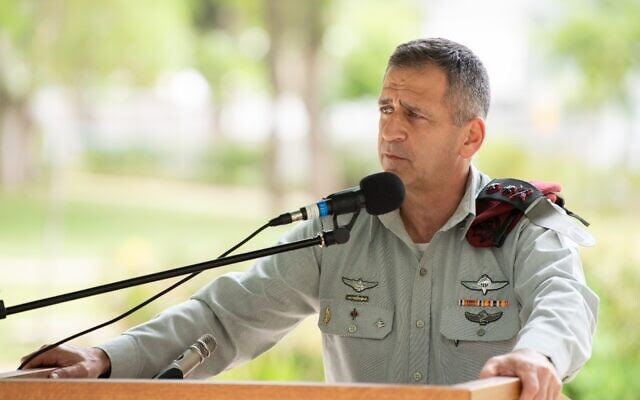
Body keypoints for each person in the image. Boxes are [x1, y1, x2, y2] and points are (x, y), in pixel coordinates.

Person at [21, 38, 598, 400]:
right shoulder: (341, 230)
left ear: (470, 136)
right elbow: (223, 319)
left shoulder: (519, 223)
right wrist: (106, 359)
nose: (391, 129)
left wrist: (537, 355)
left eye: (415, 115)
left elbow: (564, 299)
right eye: (385, 108)